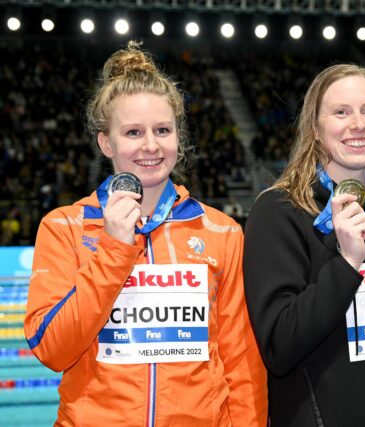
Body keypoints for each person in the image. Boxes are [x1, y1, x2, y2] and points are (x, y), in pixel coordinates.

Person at [24, 41, 267, 426]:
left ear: (178, 138)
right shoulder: (65, 227)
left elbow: (241, 359)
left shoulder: (222, 231)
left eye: (163, 130)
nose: (151, 146)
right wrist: (114, 249)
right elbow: (52, 349)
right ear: (107, 142)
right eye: (133, 132)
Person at [243, 64, 365, 426]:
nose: (358, 124)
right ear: (315, 128)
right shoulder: (279, 212)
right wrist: (346, 263)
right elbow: (279, 346)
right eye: (341, 112)